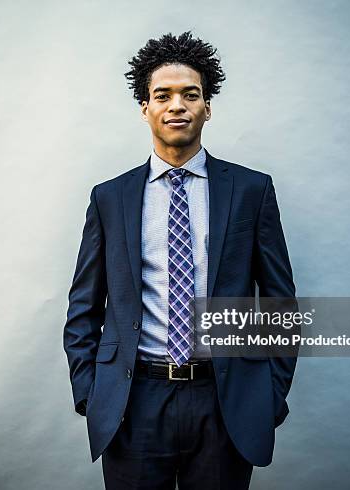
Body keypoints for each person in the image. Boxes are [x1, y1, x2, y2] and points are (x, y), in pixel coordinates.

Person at [63, 31, 297, 490]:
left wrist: (269, 394)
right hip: (135, 398)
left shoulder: (251, 190)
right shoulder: (111, 197)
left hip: (224, 396)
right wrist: (92, 393)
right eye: (162, 95)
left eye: (190, 95)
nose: (177, 106)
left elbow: (279, 302)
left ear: (207, 107)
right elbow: (84, 306)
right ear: (145, 108)